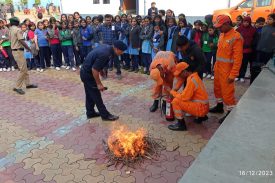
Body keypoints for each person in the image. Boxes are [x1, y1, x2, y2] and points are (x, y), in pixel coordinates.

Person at [80, 40, 127, 121]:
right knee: (96, 95)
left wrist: (101, 71)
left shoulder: (108, 49)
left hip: (86, 72)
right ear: (116, 49)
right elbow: (94, 69)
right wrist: (99, 84)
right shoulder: (106, 54)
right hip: (88, 74)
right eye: (121, 51)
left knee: (90, 94)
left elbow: (97, 64)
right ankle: (105, 115)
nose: (122, 53)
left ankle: (90, 113)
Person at [210, 15, 243, 124]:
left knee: (227, 93)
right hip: (219, 69)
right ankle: (219, 106)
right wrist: (215, 66)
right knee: (217, 89)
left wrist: (233, 75)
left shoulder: (236, 37)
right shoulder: (222, 35)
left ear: (227, 24)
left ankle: (230, 112)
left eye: (220, 26)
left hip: (227, 71)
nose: (219, 28)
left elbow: (238, 59)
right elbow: (219, 53)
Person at [167, 62, 209, 131]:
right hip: (204, 107)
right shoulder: (195, 77)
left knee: (176, 101)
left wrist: (172, 92)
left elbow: (184, 97)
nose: (179, 76)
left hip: (201, 109)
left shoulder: (191, 80)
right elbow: (188, 95)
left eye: (180, 74)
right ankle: (201, 117)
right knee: (181, 96)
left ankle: (181, 124)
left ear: (185, 71)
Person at [9, 17, 37, 95]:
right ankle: (18, 87)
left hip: (15, 51)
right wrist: (29, 49)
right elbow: (21, 40)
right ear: (17, 22)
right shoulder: (17, 30)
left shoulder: (10, 30)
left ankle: (28, 84)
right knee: (23, 70)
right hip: (18, 51)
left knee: (24, 68)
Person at [251, 13, 275, 84]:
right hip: (259, 50)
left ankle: (263, 81)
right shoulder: (264, 27)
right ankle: (255, 81)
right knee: (257, 67)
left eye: (270, 19)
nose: (268, 20)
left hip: (269, 51)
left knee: (266, 67)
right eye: (267, 19)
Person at [236, 16, 256, 82]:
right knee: (238, 63)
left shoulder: (253, 30)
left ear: (249, 22)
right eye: (244, 22)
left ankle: (242, 76)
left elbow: (254, 39)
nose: (245, 23)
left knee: (244, 64)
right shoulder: (239, 29)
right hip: (239, 49)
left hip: (247, 50)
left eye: (247, 22)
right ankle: (237, 75)